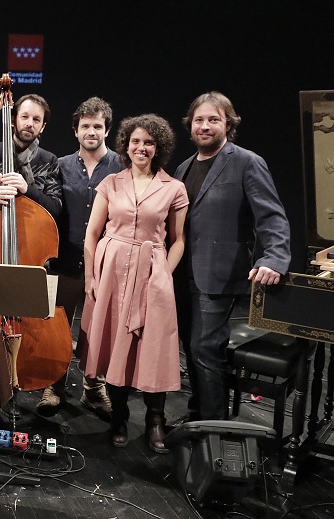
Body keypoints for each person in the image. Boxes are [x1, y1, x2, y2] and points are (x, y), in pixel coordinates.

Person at [173, 92, 290, 422]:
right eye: (199, 120)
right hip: (182, 276)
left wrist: (274, 258)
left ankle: (212, 428)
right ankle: (199, 415)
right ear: (190, 125)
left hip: (219, 277)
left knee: (204, 350)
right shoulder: (183, 168)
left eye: (213, 119)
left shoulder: (247, 162)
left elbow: (272, 216)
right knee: (193, 351)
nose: (205, 126)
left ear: (228, 124)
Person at [79, 114, 188, 453]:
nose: (142, 147)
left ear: (159, 148)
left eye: (149, 142)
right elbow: (92, 234)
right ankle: (120, 416)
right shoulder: (111, 183)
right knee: (116, 346)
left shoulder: (174, 188)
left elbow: (179, 239)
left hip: (152, 271)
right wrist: (91, 278)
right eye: (136, 141)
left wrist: (163, 274)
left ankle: (155, 420)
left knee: (154, 347)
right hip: (111, 271)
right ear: (126, 145)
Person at [0, 92, 64, 414]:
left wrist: (30, 190)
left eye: (36, 119)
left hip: (29, 258)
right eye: (25, 116)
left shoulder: (48, 161)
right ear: (13, 118)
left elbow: (56, 208)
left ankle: (26, 382)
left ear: (43, 127)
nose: (29, 123)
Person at [57, 97, 123, 416]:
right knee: (57, 326)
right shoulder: (61, 165)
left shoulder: (122, 167)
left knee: (98, 331)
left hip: (105, 264)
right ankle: (52, 386)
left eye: (98, 126)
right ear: (76, 131)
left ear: (106, 130)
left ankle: (94, 390)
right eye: (86, 126)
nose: (91, 131)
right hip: (67, 260)